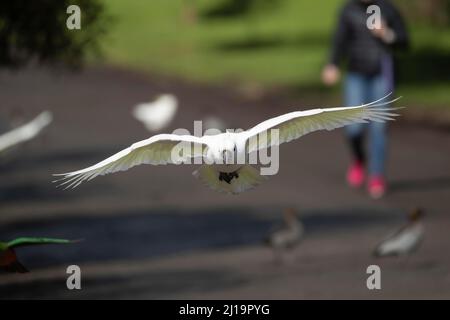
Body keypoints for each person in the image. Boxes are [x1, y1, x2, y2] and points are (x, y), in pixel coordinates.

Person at [322, 0, 409, 198]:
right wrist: (332, 64)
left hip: (381, 75)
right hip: (356, 74)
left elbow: (404, 41)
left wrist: (387, 34)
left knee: (379, 127)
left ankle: (377, 175)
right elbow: (340, 41)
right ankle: (359, 158)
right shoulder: (348, 10)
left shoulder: (388, 9)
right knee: (353, 127)